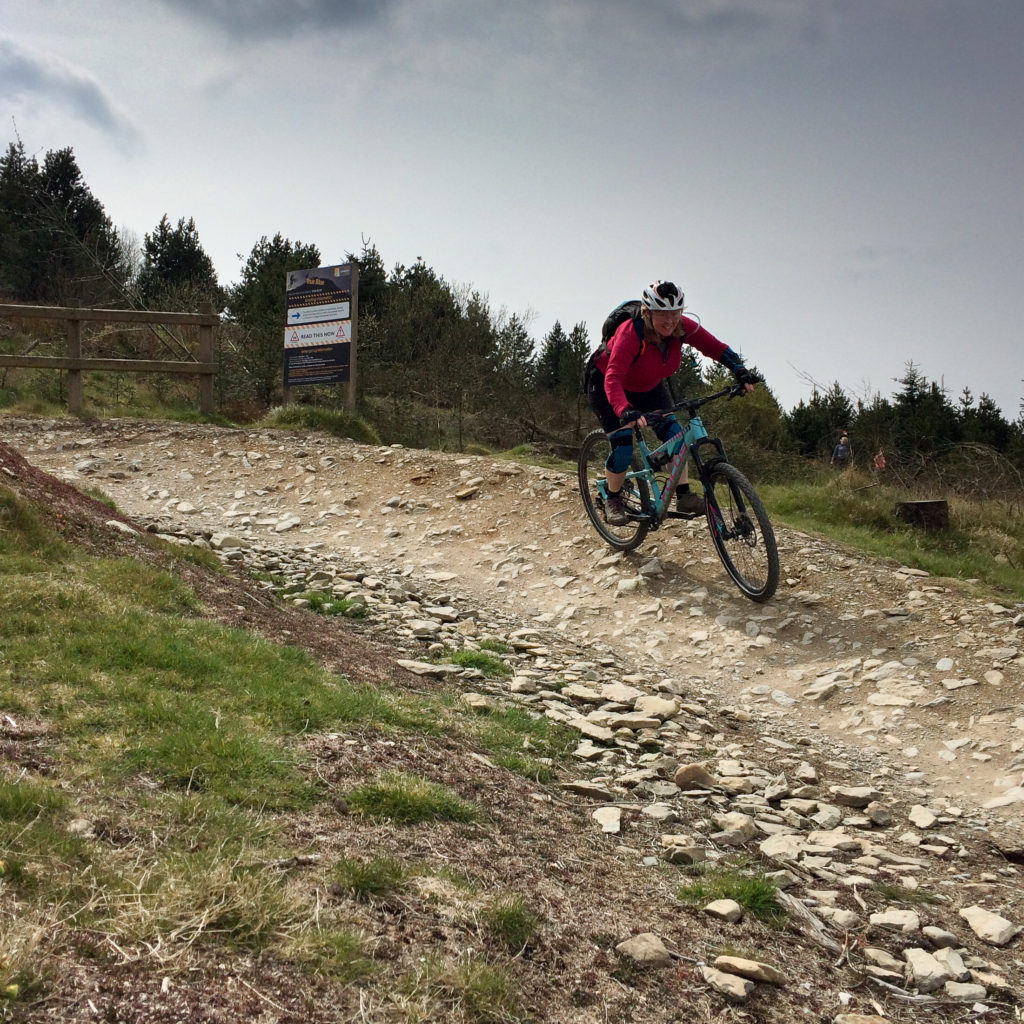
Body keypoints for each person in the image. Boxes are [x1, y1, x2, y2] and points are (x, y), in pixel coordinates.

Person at [584, 280, 758, 525]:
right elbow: (613, 377)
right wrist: (624, 409)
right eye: (662, 315)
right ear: (648, 312)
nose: (670, 321)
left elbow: (715, 347)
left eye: (675, 314)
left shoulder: (682, 328)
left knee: (676, 436)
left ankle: (684, 495)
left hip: (648, 386)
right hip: (606, 384)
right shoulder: (632, 331)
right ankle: (613, 498)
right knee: (623, 446)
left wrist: (739, 369)